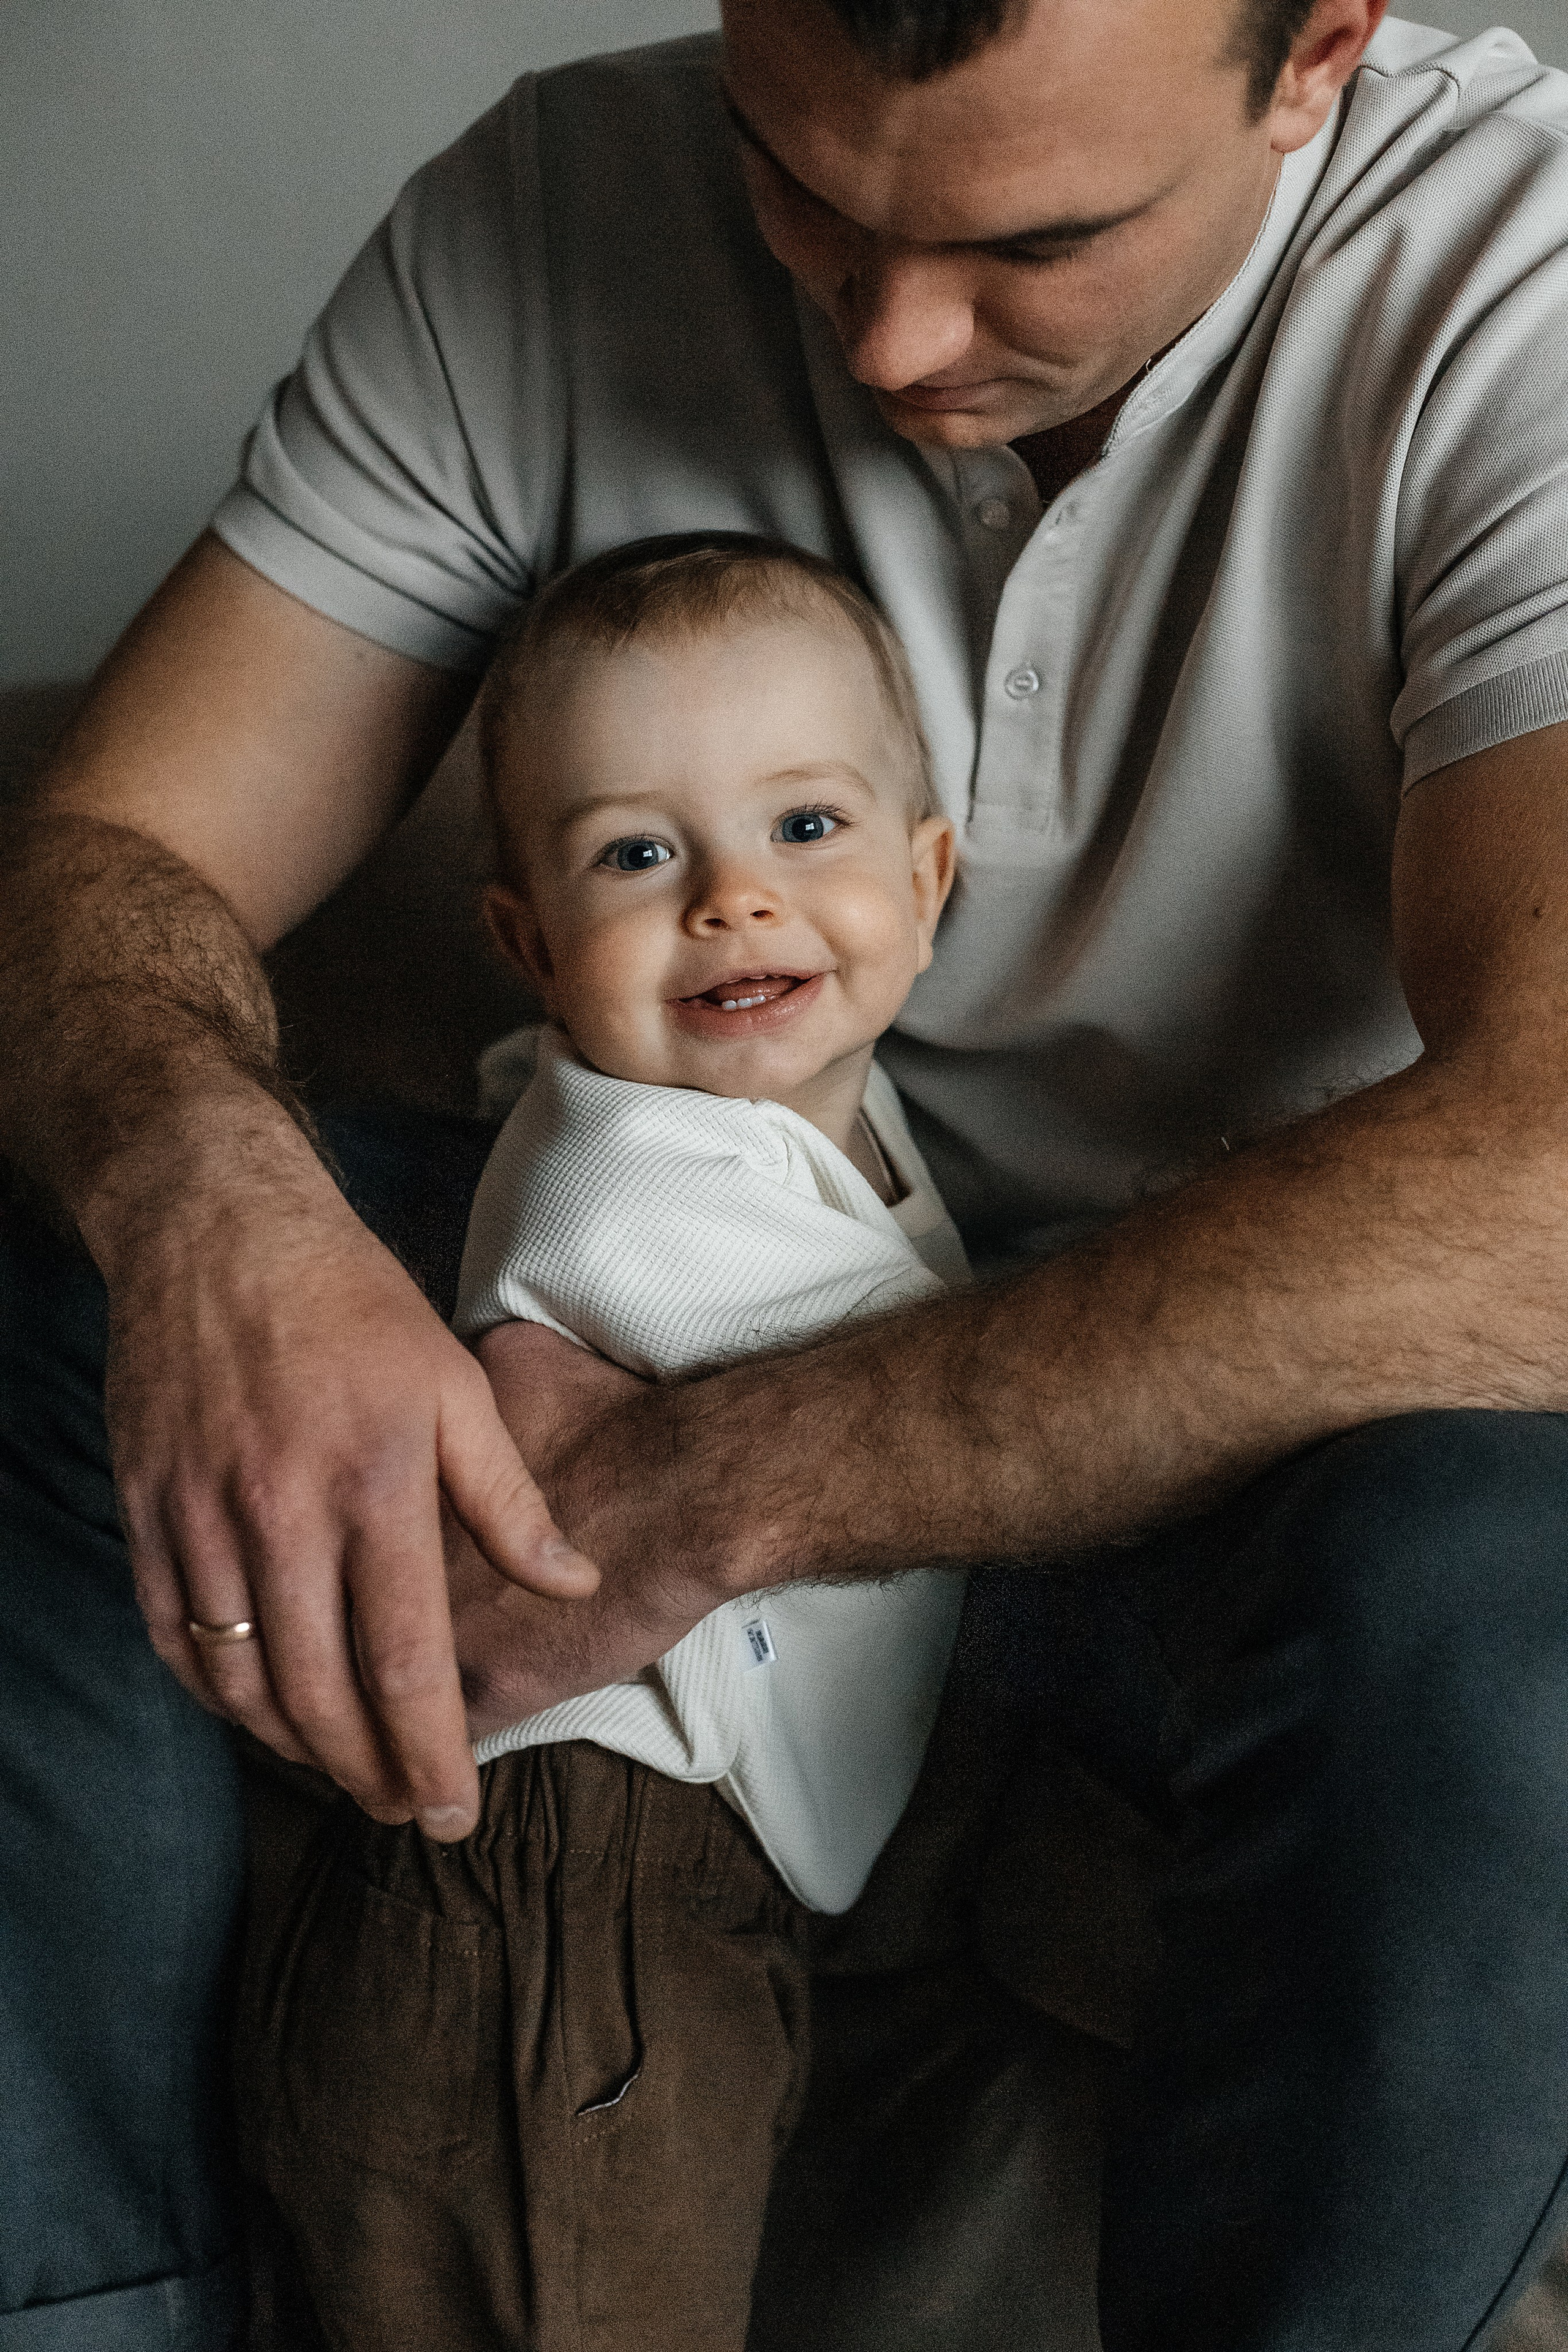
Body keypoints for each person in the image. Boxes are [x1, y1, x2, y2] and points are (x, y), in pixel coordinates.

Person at [7, 0, 1568, 2342]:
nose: (891, 335)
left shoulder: (1522, 286)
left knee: (1505, 1555)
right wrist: (216, 1208)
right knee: (52, 1238)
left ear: (1316, 47)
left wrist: (676, 1501)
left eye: (1035, 238)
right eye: (806, 191)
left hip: (1251, 1461)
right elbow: (116, 851)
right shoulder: (553, 207)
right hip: (654, 1296)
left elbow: (1551, 1172)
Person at [238, 530, 968, 2350]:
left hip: (668, 1904)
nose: (734, 901)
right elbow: (964, 1435)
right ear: (529, 943)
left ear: (929, 874)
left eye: (805, 829)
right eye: (640, 854)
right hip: (561, 1904)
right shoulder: (628, 1187)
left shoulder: (804, 1145)